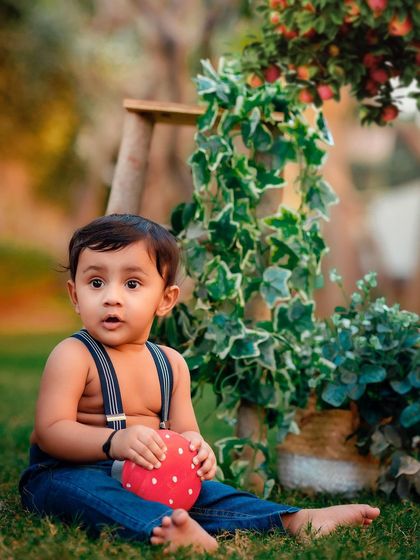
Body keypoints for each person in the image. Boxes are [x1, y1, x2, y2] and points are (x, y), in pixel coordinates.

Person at [19, 214, 380, 553]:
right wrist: (115, 441)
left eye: (132, 283)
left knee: (213, 494)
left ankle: (293, 519)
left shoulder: (170, 364)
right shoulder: (74, 355)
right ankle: (165, 528)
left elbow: (186, 433)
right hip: (67, 471)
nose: (111, 296)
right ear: (75, 295)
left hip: (151, 480)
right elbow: (50, 431)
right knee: (88, 492)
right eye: (96, 282)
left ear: (165, 299)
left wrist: (197, 450)